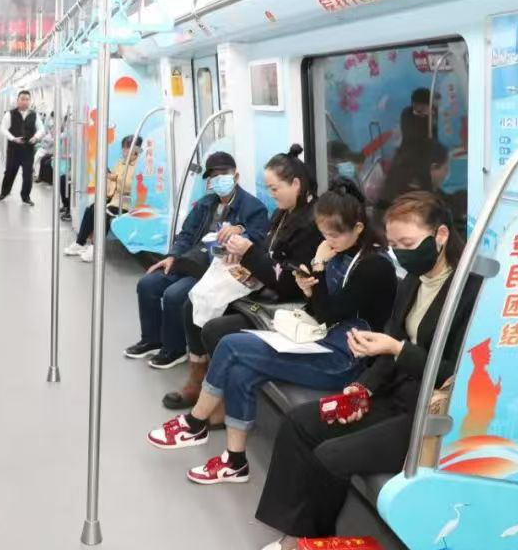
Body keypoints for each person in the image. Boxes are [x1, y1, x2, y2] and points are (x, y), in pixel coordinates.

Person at [247, 191, 478, 550]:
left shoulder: (470, 292)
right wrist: (363, 388)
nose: (401, 253)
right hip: (395, 392)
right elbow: (390, 344)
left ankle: (308, 543)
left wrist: (398, 350)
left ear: (440, 236)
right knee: (300, 423)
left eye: (408, 244)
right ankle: (294, 531)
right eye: (395, 245)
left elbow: (458, 373)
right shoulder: (414, 281)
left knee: (330, 455)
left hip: (430, 413)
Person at [147, 180, 398, 486]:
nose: (328, 241)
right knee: (240, 370)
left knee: (231, 346)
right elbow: (320, 310)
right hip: (320, 339)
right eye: (324, 234)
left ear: (358, 228)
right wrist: (310, 289)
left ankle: (194, 421)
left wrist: (318, 268)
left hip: (344, 359)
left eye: (334, 235)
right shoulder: (340, 252)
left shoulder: (374, 268)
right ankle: (234, 462)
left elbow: (330, 313)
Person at [166, 146, 322, 411]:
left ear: (296, 184)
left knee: (214, 328)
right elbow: (267, 253)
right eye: (269, 189)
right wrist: (241, 255)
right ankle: (197, 380)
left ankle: (219, 398)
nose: (271, 195)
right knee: (191, 305)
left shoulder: (310, 224)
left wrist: (248, 252)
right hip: (263, 285)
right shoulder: (282, 213)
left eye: (275, 188)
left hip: (286, 303)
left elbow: (288, 282)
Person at [125, 152, 270, 370]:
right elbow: (186, 234)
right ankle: (152, 340)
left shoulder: (253, 207)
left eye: (223, 173)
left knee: (174, 295)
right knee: (148, 284)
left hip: (218, 268)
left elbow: (258, 240)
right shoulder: (205, 204)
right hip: (192, 259)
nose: (218, 179)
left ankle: (174, 349)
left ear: (236, 176)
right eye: (213, 176)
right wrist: (173, 256)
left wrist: (241, 230)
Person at [64, 135, 141, 262]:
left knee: (104, 214)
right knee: (91, 208)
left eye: (128, 148)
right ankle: (80, 243)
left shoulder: (139, 166)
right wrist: (109, 178)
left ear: (137, 149)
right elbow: (112, 182)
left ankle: (96, 248)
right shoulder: (120, 163)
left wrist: (115, 178)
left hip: (127, 202)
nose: (125, 151)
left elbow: (132, 185)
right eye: (124, 147)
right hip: (113, 198)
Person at [0, 89, 44, 206]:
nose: (25, 102)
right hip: (14, 149)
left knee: (28, 175)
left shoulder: (34, 115)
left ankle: (26, 197)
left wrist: (36, 137)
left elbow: (41, 129)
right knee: (9, 172)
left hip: (28, 150)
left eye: (27, 99)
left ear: (30, 101)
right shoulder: (10, 114)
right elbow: (3, 128)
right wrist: (13, 138)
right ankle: (4, 192)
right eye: (22, 99)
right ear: (17, 100)